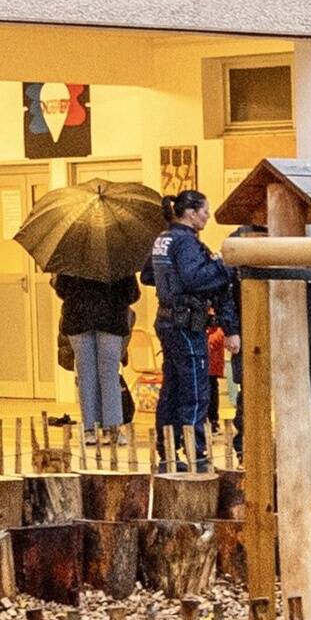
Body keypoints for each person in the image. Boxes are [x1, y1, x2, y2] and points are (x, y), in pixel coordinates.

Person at [147, 193, 235, 472]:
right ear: (191, 213)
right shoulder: (185, 241)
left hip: (167, 320)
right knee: (196, 390)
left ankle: (168, 451)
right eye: (205, 211)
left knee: (171, 389)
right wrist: (221, 266)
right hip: (186, 324)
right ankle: (196, 452)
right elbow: (194, 277)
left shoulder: (164, 238)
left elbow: (148, 275)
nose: (208, 216)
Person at [57, 259, 140, 439]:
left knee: (86, 375)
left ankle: (89, 430)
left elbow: (61, 289)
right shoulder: (119, 256)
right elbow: (132, 294)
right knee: (109, 374)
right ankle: (113, 429)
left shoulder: (71, 255)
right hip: (111, 320)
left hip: (78, 319)